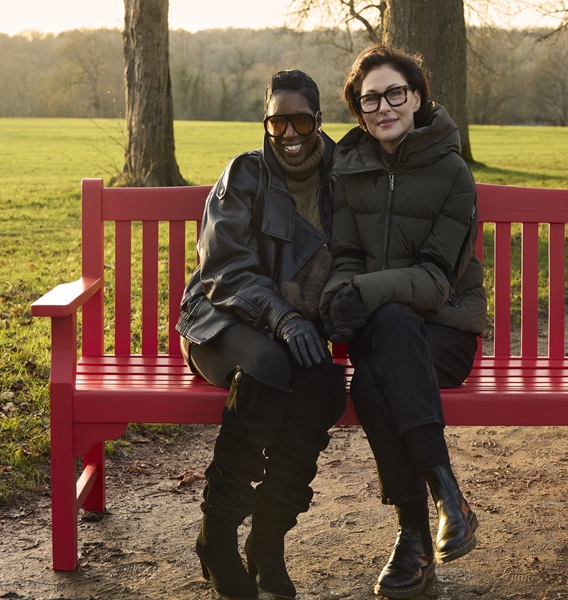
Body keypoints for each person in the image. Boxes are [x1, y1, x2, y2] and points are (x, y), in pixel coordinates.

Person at [319, 45, 487, 598]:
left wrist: (361, 289)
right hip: (383, 332)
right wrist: (341, 290)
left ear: (417, 97)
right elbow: (344, 253)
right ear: (359, 111)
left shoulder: (454, 173)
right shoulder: (350, 169)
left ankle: (414, 531)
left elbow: (437, 280)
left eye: (395, 93)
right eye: (370, 100)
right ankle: (445, 501)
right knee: (381, 346)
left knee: (375, 370)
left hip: (445, 333)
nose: (384, 107)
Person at [176, 69, 346, 600]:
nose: (289, 134)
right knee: (270, 367)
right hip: (221, 321)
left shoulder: (344, 175)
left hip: (288, 331)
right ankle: (218, 536)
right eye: (277, 123)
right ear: (266, 124)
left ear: (318, 119)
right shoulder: (244, 175)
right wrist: (284, 318)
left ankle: (268, 541)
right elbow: (225, 269)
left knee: (323, 384)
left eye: (299, 120)